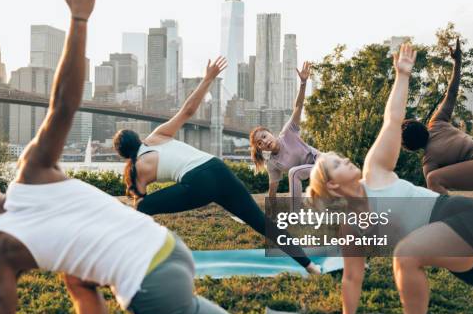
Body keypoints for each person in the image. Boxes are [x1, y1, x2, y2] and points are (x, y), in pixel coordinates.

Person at [0, 0, 342, 314]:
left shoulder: (5, 257)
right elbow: (67, 104)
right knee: (255, 225)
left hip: (153, 279)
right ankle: (307, 265)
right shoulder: (39, 172)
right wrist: (79, 18)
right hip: (174, 241)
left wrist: (142, 201)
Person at [306, 43, 473, 314]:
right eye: (336, 163)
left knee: (405, 253)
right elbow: (352, 277)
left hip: (458, 216)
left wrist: (402, 75)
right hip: (460, 249)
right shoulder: (351, 229)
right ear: (332, 186)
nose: (346, 160)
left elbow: (392, 121)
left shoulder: (374, 171)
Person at [113, 61, 319, 274]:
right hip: (217, 169)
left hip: (198, 183)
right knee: (261, 223)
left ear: (124, 155)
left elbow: (140, 209)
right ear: (137, 138)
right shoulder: (156, 136)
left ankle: (145, 259)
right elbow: (188, 111)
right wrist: (208, 78)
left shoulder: (136, 170)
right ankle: (310, 266)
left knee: (143, 209)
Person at [401, 38, 473, 197]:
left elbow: (432, 190)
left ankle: (451, 215)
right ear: (421, 125)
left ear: (409, 147)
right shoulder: (437, 122)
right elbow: (452, 93)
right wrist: (457, 62)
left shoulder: (429, 161)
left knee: (433, 179)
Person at [249, 61, 321, 210]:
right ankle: (296, 214)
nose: (264, 141)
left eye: (264, 136)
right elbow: (272, 192)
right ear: (261, 149)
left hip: (321, 161)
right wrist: (270, 210)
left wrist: (303, 83)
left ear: (270, 133)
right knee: (294, 173)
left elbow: (298, 106)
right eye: (260, 143)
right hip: (310, 172)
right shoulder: (273, 164)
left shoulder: (288, 131)